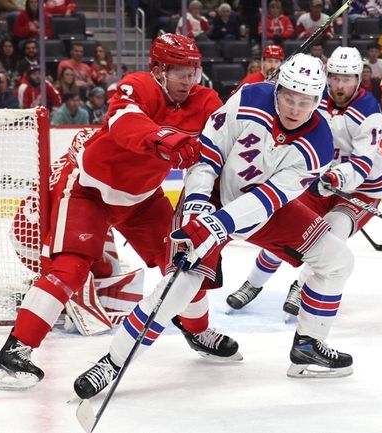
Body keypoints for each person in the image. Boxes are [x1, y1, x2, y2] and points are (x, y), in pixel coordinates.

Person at [73, 54, 357, 401]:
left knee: (337, 259)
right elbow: (208, 154)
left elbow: (269, 198)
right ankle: (114, 362)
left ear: (317, 101)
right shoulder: (250, 98)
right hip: (210, 194)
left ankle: (308, 344)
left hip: (258, 209)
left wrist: (217, 225)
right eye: (288, 98)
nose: (294, 109)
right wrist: (196, 204)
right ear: (277, 88)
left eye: (304, 102)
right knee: (182, 282)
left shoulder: (319, 145)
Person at [0, 34, 228, 391]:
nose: (189, 81)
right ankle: (15, 351)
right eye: (179, 72)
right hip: (90, 189)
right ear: (158, 71)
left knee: (186, 260)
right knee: (70, 267)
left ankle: (197, 330)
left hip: (143, 198)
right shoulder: (137, 86)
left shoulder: (205, 100)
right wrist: (165, 139)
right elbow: (124, 122)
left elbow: (230, 128)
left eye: (193, 72)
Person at [226, 48, 382, 315]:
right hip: (319, 181)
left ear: (358, 79)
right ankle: (253, 283)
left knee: (332, 234)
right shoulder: (314, 97)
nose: (340, 85)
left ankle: (300, 286)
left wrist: (337, 176)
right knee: (289, 229)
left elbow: (364, 162)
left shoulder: (368, 110)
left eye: (347, 79)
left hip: (360, 188)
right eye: (335, 77)